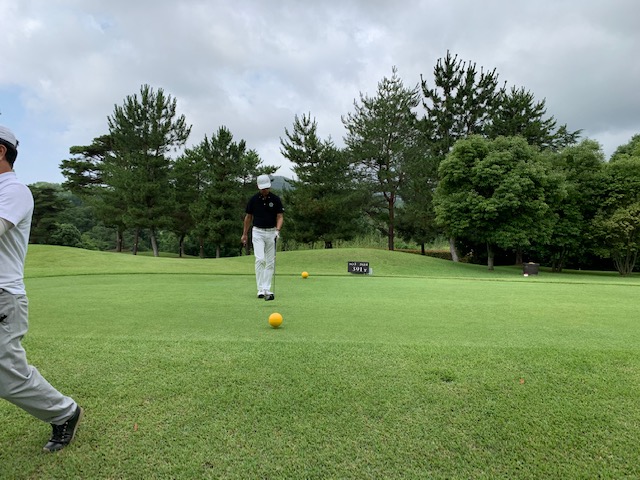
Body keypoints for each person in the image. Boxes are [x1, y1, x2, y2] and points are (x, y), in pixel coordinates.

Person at [0, 125, 83, 453]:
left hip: (3, 297)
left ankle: (64, 412)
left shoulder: (14, 191)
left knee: (7, 376)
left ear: (1, 151)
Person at [241, 174, 284, 301]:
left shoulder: (275, 199)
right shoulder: (253, 200)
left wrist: (277, 230)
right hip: (257, 232)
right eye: (263, 188)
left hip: (271, 232)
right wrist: (244, 234)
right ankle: (260, 289)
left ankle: (266, 289)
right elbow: (248, 217)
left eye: (267, 188)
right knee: (260, 259)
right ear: (258, 187)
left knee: (270, 262)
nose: (265, 190)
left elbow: (280, 217)